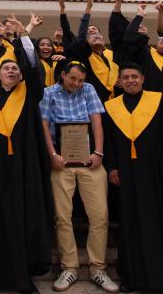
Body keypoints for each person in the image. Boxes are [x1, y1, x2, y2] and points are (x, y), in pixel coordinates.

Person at [102, 37, 163, 293]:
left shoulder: (159, 100)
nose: (131, 80)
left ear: (143, 79)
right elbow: (108, 142)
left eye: (135, 77)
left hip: (159, 171)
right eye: (126, 78)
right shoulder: (110, 107)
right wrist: (111, 167)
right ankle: (134, 278)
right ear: (119, 82)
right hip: (128, 174)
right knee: (131, 224)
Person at [0, 17, 54, 294]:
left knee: (22, 222)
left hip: (26, 167)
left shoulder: (30, 93)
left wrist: (24, 37)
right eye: (5, 68)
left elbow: (32, 68)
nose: (10, 70)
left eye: (14, 68)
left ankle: (23, 279)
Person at [39, 62, 117, 293]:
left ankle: (98, 269)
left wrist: (99, 152)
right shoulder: (48, 92)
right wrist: (53, 154)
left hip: (89, 161)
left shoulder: (89, 89)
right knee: (63, 217)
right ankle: (69, 268)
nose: (76, 83)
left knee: (100, 216)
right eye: (73, 78)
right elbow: (44, 125)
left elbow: (97, 122)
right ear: (63, 75)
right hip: (61, 161)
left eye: (80, 80)